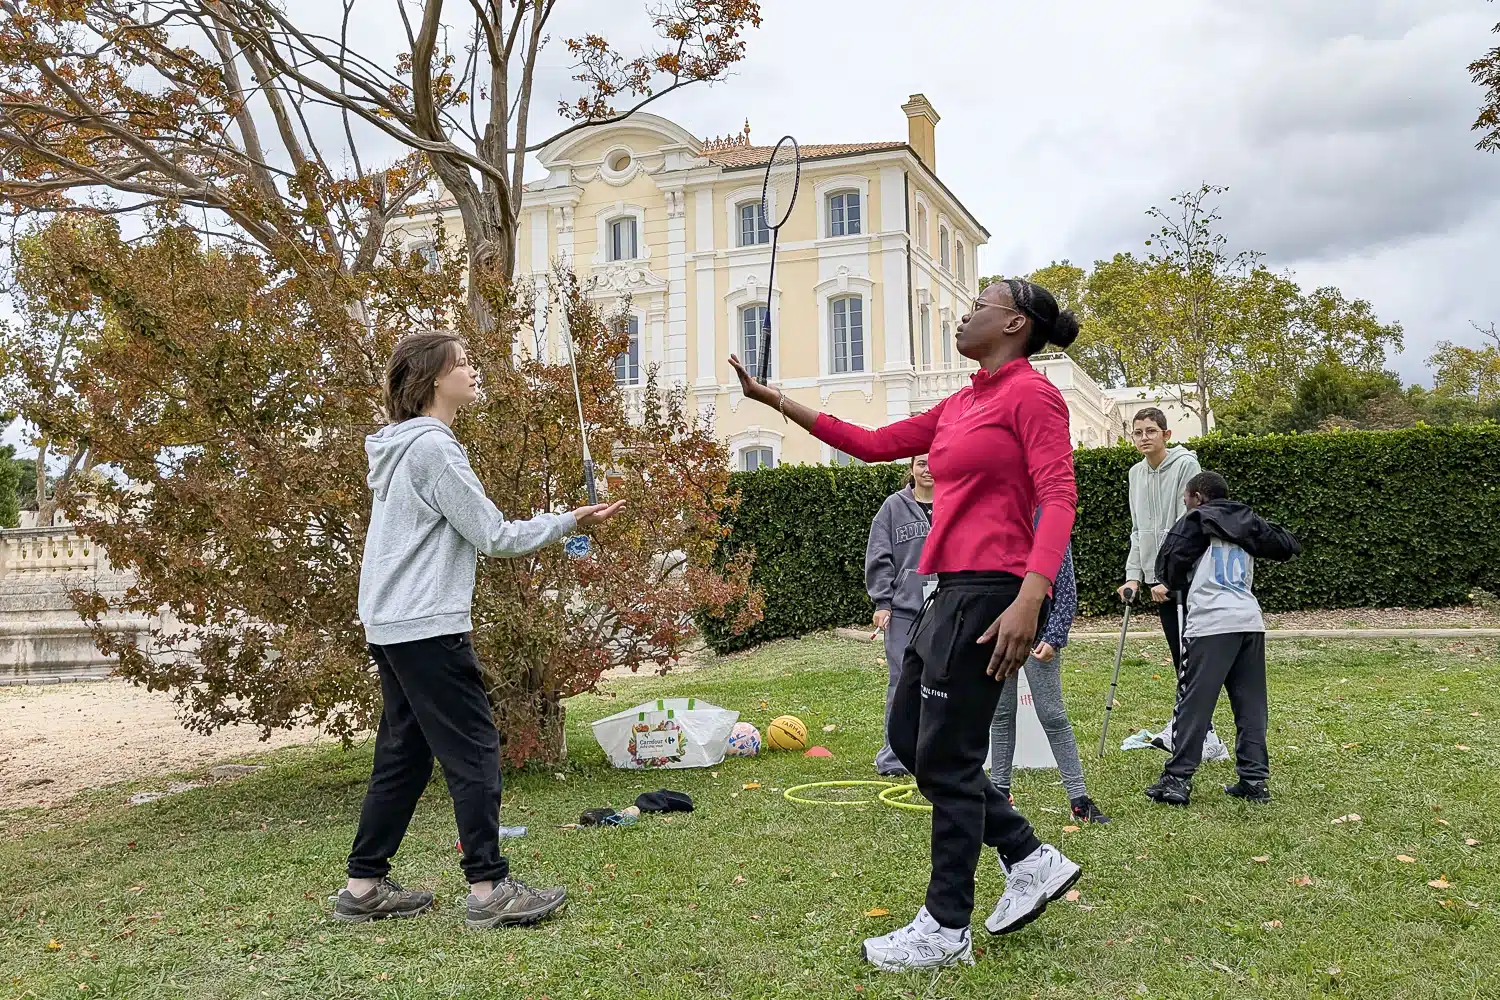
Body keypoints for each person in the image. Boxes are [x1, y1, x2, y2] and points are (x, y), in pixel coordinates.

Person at [729, 277, 1083, 973]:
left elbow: (1058, 494)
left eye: (980, 304)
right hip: (943, 594)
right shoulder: (961, 403)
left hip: (994, 592)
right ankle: (1028, 855)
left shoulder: (1032, 394)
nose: (965, 312)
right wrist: (775, 401)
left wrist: (1031, 596)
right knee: (908, 741)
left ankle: (947, 927)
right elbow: (869, 442)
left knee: (947, 762)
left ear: (1013, 323)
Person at [335, 332, 625, 928]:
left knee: (404, 754)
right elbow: (494, 536)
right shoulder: (433, 450)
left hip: (390, 624)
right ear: (434, 380)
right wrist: (570, 519)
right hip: (425, 626)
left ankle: (363, 886)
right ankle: (490, 890)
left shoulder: (400, 448)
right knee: (475, 751)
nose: (471, 371)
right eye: (461, 363)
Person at [1144, 471, 1300, 807]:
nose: (1185, 503)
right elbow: (1287, 545)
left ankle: (1177, 780)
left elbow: (1167, 568)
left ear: (1198, 497)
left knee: (1194, 704)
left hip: (1211, 623)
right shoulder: (1247, 522)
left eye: (1186, 498)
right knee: (1251, 706)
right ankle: (1254, 781)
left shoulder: (1194, 521)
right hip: (1248, 620)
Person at [1115, 407, 1228, 761]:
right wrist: (1134, 575)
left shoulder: (1185, 466)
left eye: (1151, 430)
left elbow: (1191, 523)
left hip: (1184, 577)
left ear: (1167, 434)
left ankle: (1204, 735)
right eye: (1138, 432)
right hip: (1156, 580)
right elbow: (1138, 530)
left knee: (1189, 656)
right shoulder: (1135, 474)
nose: (1144, 437)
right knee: (1180, 656)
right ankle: (1190, 725)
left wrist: (1169, 575)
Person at [988, 530, 1110, 824]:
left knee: (1053, 715)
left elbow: (1065, 588)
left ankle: (1079, 799)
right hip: (1000, 633)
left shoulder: (1048, 520)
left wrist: (1054, 637)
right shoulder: (993, 516)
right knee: (1001, 714)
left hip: (1040, 635)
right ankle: (998, 794)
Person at [865, 455, 935, 777]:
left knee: (943, 684)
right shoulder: (892, 508)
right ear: (911, 468)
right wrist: (883, 603)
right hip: (905, 613)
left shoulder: (955, 502)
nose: (929, 468)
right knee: (902, 683)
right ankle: (893, 758)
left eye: (935, 461)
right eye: (921, 462)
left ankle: (935, 754)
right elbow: (879, 557)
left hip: (947, 610)